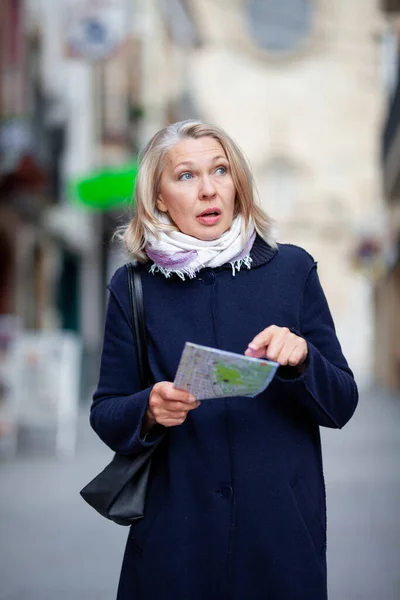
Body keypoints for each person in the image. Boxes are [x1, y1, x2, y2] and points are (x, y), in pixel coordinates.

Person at [90, 120, 358, 600]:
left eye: (220, 170)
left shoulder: (292, 269)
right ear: (157, 198)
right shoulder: (134, 287)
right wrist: (148, 408)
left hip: (280, 537)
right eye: (187, 176)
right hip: (176, 541)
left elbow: (341, 404)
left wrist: (303, 362)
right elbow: (106, 411)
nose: (209, 189)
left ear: (238, 184)